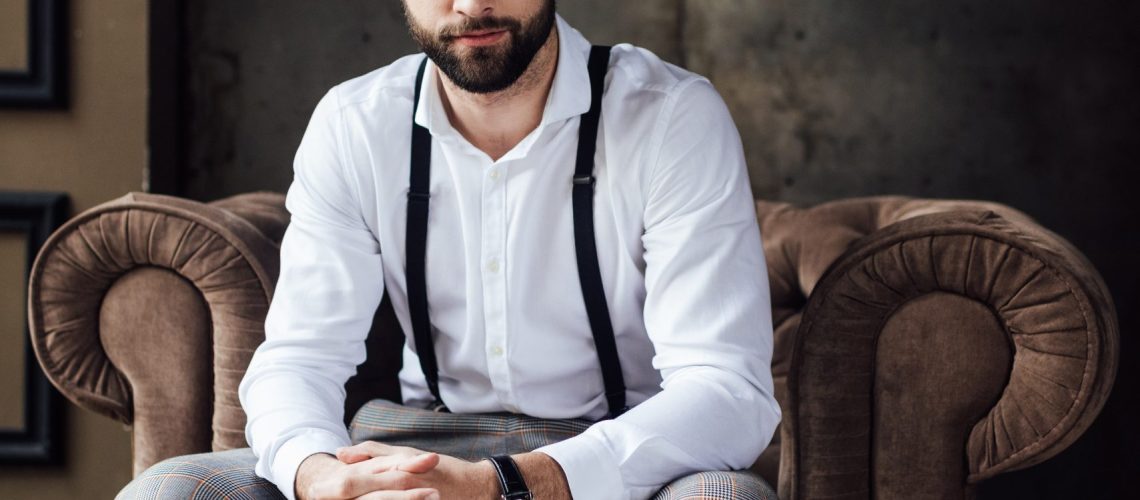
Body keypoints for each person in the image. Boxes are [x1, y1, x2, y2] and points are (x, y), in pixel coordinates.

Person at [121, 1, 780, 499]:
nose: (469, 4)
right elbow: (301, 357)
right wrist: (319, 476)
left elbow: (727, 388)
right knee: (170, 490)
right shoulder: (356, 124)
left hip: (614, 453)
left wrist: (505, 484)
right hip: (418, 440)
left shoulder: (669, 116)